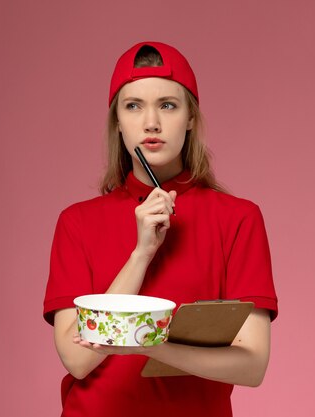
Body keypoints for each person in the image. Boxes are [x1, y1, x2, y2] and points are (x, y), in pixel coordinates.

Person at [43, 41, 278, 416]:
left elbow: (252, 366)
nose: (151, 122)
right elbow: (77, 359)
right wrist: (142, 254)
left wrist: (150, 345)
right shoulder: (76, 223)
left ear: (190, 118)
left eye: (168, 105)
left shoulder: (238, 219)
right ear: (117, 122)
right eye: (133, 106)